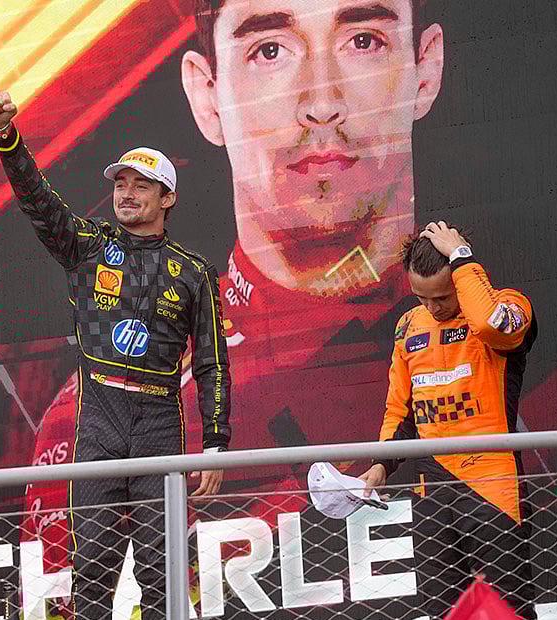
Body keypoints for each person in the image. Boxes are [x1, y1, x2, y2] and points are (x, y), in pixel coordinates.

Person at [23, 0, 445, 576]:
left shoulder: (488, 340)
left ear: (425, 69)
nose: (321, 104)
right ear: (207, 96)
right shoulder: (92, 404)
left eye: (363, 41)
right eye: (269, 51)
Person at [0, 91, 231, 620]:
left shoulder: (194, 272)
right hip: (96, 421)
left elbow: (212, 362)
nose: (126, 193)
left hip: (158, 424)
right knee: (90, 560)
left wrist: (217, 441)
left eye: (140, 185)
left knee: (162, 565)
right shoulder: (90, 247)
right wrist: (7, 139)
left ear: (168, 197)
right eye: (120, 183)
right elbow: (39, 204)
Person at [358, 221, 537, 620]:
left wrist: (462, 259)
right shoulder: (409, 326)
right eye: (421, 297)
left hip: (493, 485)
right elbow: (400, 410)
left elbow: (492, 325)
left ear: (461, 277)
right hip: (433, 490)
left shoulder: (508, 306)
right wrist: (381, 464)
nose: (433, 307)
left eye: (441, 296)